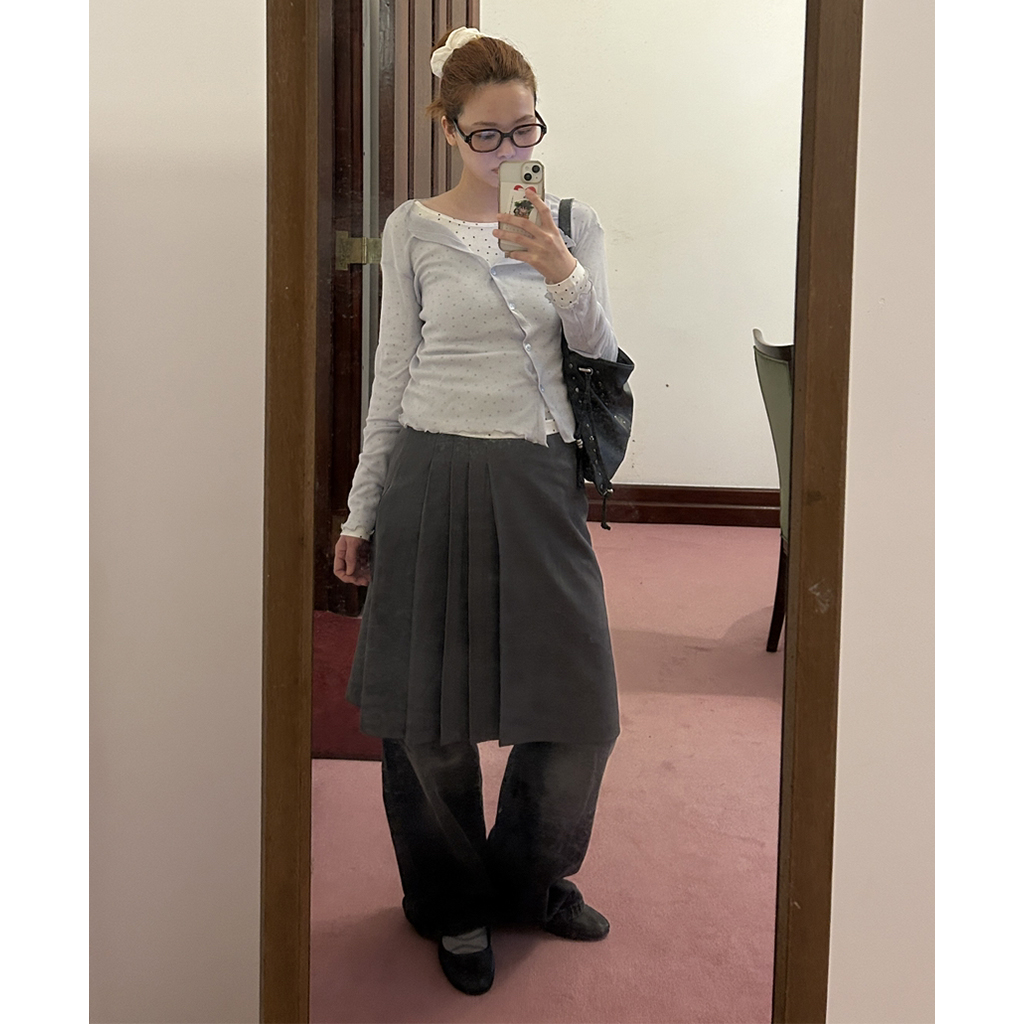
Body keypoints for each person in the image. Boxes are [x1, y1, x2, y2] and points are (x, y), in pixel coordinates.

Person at [333, 25, 623, 997]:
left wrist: (559, 267)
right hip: (429, 469)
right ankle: (451, 899)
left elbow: (600, 347)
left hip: (536, 476)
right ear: (449, 130)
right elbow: (392, 373)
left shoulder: (572, 221)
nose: (508, 152)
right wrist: (361, 510)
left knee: (578, 705)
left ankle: (529, 878)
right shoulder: (411, 227)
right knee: (428, 711)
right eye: (487, 135)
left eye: (524, 130)